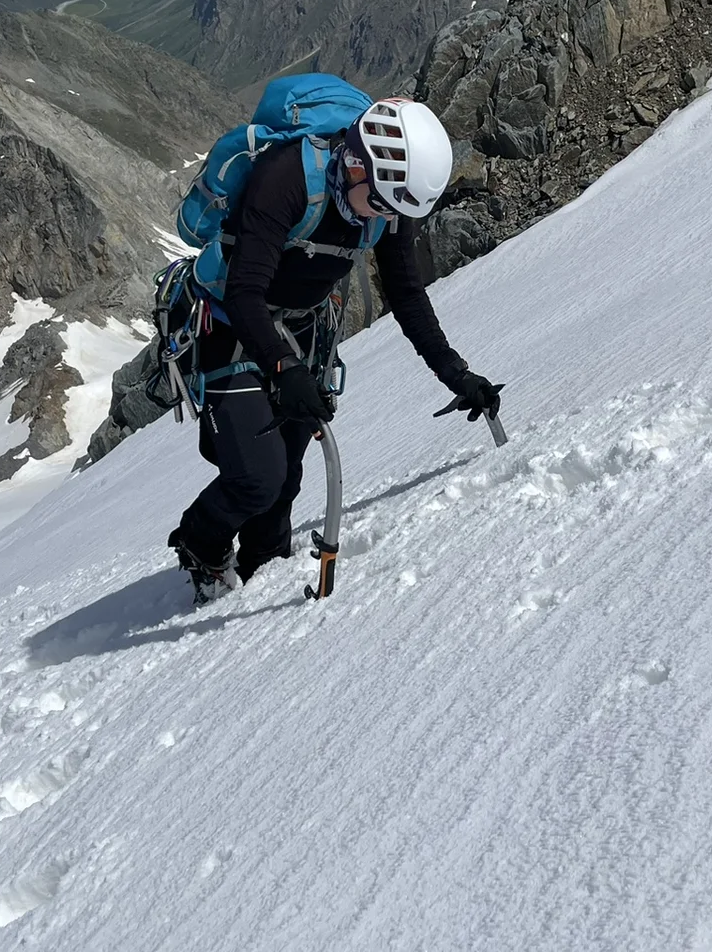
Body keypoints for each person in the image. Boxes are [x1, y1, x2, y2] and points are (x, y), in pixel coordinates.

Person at [167, 95, 501, 602]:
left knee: (286, 483)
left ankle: (260, 578)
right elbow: (245, 293)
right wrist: (283, 368)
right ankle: (199, 544)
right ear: (355, 164)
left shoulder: (389, 196)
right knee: (259, 476)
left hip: (304, 332)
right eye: (384, 204)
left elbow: (407, 296)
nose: (390, 219)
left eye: (398, 210)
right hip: (230, 324)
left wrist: (458, 375)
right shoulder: (288, 178)